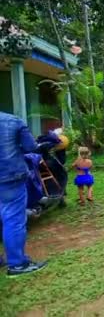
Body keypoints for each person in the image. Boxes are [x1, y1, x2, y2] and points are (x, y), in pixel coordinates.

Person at [0, 111, 48, 276]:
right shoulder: (12, 121)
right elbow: (31, 147)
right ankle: (17, 264)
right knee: (13, 219)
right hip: (9, 177)